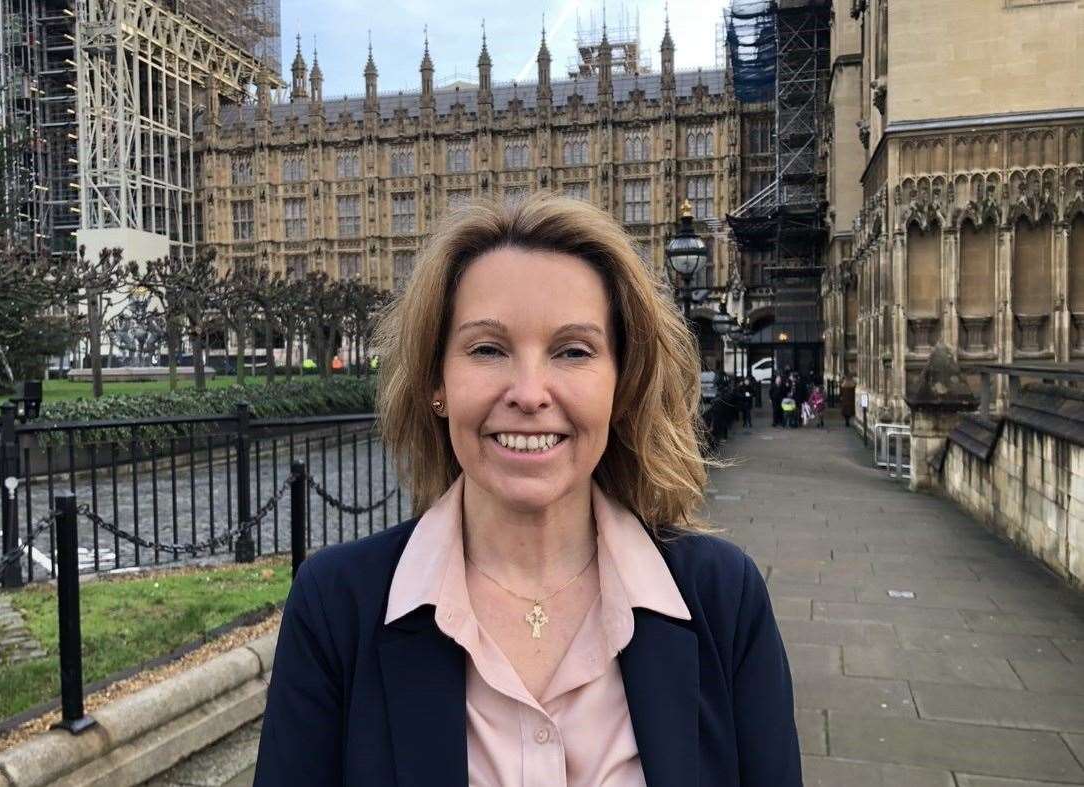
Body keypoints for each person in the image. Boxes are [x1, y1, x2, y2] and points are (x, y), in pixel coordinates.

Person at [254, 194, 801, 786]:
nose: (530, 393)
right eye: (488, 349)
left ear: (623, 384)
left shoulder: (723, 600)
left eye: (573, 351)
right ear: (437, 381)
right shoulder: (337, 607)